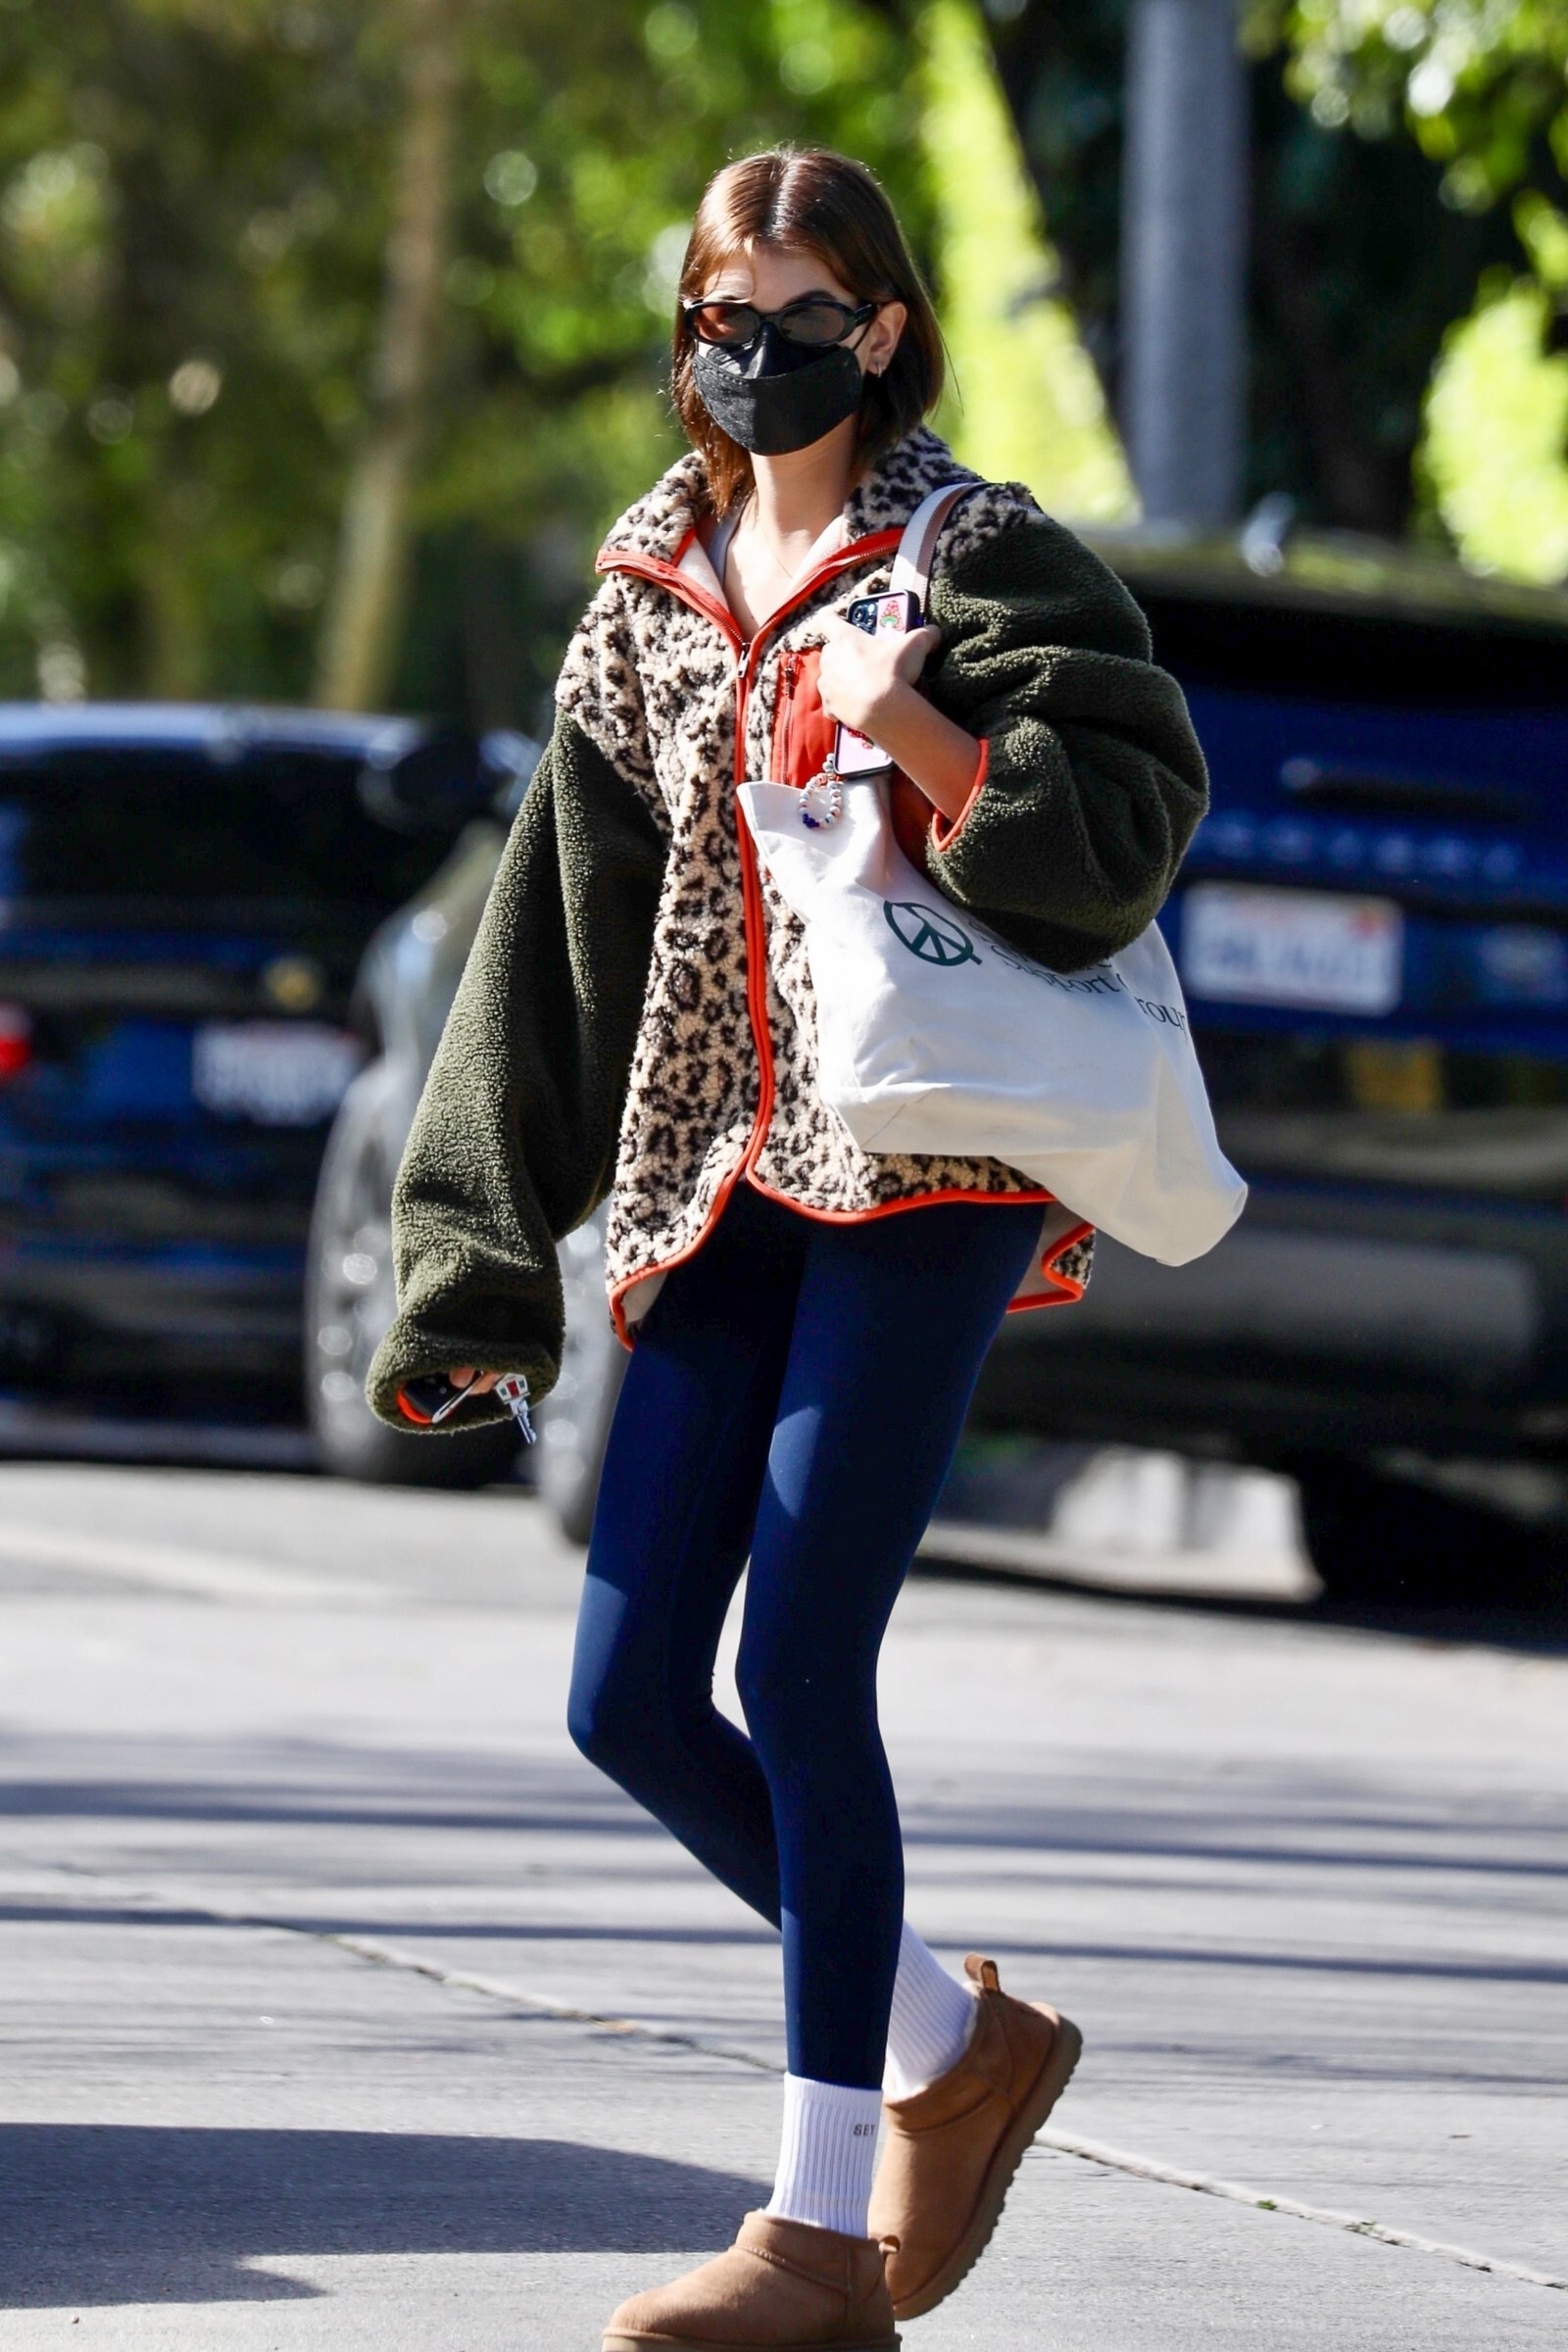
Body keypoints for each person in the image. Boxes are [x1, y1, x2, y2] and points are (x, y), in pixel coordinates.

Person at [369, 146, 1206, 2352]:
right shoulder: (645, 587)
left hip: (925, 1176)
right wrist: (469, 1263)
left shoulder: (974, 551)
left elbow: (1124, 830)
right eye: (721, 320)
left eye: (800, 316)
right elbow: (546, 953)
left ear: (882, 327)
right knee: (628, 1697)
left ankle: (819, 2236)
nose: (755, 355)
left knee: (801, 1669)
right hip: (710, 1180)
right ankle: (955, 2044)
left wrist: (916, 722)